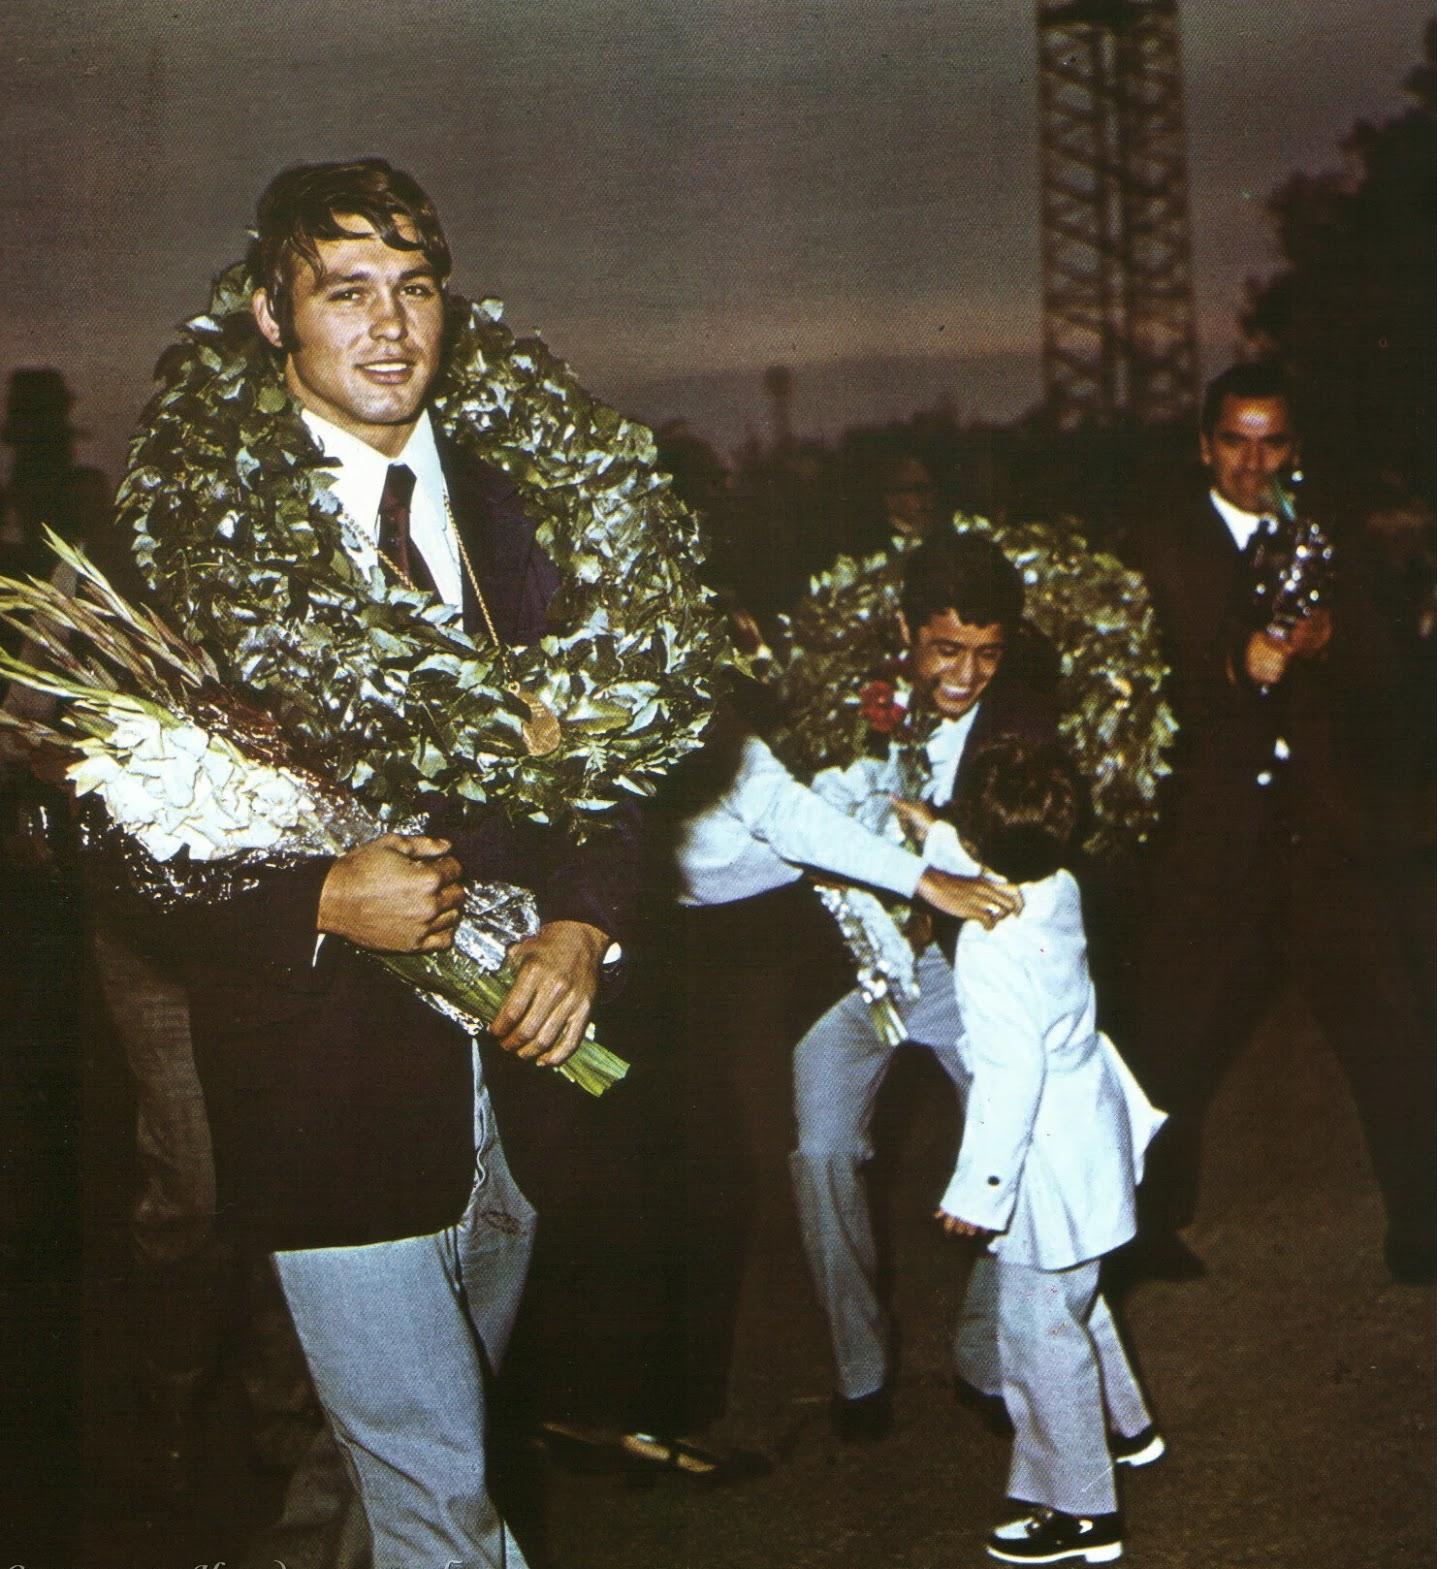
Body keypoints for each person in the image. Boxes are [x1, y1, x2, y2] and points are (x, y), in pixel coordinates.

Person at [113, 161, 644, 1567]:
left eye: (414, 288)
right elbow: (106, 836)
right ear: (270, 315)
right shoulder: (189, 542)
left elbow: (627, 747)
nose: (391, 326)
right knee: (439, 1492)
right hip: (326, 1094)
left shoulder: (530, 507)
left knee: (393, 1480)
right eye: (346, 292)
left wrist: (582, 926)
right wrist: (319, 897)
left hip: (520, 1081)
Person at [1123, 361, 1434, 1284]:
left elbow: (1398, 678)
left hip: (1325, 841)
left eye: (1272, 443)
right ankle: (1140, 1226)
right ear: (1204, 446)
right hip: (1211, 842)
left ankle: (1422, 1225)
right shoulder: (1153, 546)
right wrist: (1233, 665)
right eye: (1235, 442)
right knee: (1168, 1042)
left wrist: (1335, 642)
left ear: (1295, 448)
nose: (1253, 464)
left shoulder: (1328, 538)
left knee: (1394, 1034)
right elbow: (1134, 689)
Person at [788, 531, 1056, 1439]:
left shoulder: (1027, 718)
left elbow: (1030, 849)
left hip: (960, 964)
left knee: (1024, 1133)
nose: (965, 674)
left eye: (988, 653)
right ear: (906, 630)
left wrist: (937, 828)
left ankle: (984, 1351)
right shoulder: (842, 692)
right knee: (822, 1151)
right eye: (946, 649)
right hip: (848, 968)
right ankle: (859, 1367)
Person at [921, 737, 1164, 1567]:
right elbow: (995, 849)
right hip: (1090, 1123)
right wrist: (929, 830)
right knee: (1078, 1296)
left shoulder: (986, 947)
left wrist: (978, 1192)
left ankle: (1081, 1509)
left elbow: (1008, 1079)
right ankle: (1127, 1428)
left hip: (1041, 1157)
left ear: (976, 838)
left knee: (1035, 1331)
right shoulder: (1059, 885)